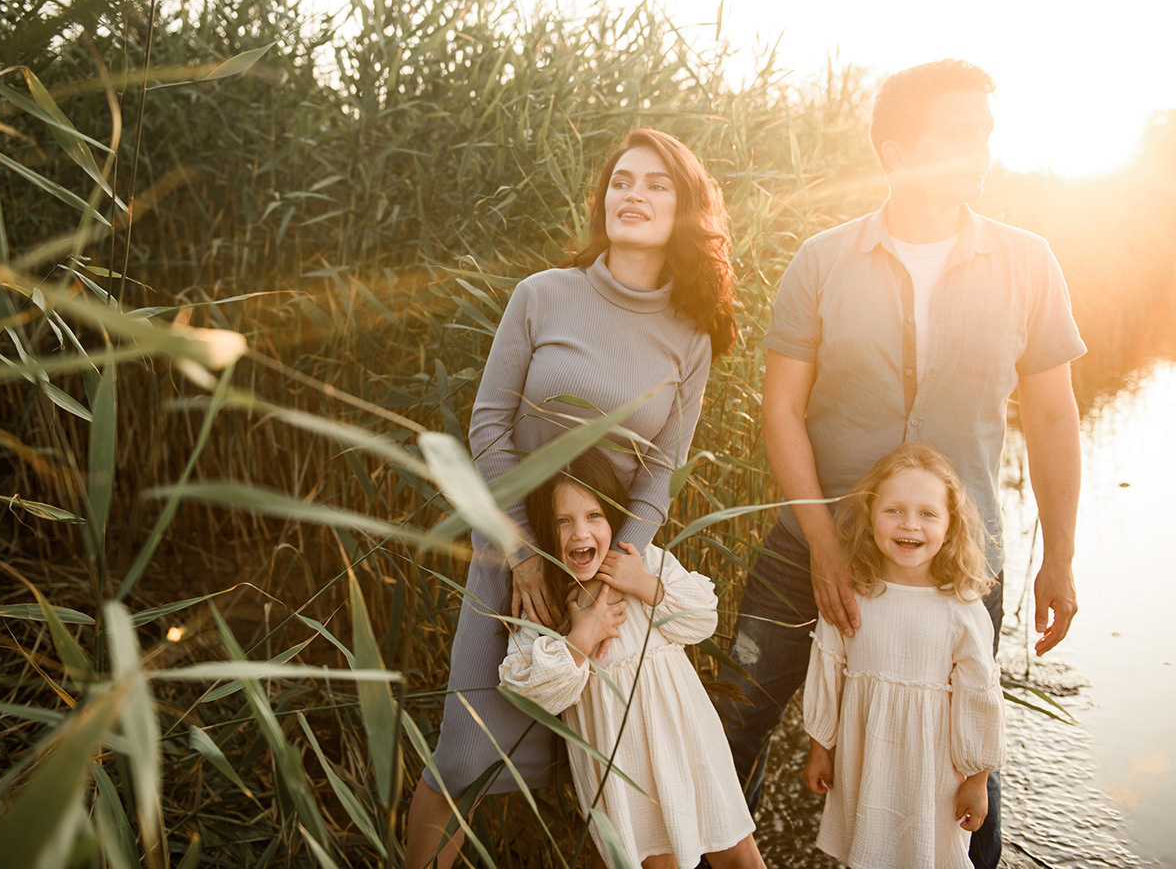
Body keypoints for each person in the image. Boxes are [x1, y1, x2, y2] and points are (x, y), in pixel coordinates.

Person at [715, 59, 1086, 869]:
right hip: (808, 544)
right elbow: (781, 410)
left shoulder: (1030, 262)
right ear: (896, 150)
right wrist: (819, 541)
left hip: (956, 558)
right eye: (960, 134)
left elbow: (1055, 415)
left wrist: (1058, 557)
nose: (980, 151)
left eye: (984, 134)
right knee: (734, 722)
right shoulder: (822, 259)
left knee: (965, 755)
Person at [405, 127, 737, 868]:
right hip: (515, 557)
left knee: (617, 779)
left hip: (606, 572)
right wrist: (523, 553)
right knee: (466, 759)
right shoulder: (542, 296)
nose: (634, 195)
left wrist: (623, 561)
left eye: (656, 184)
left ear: (683, 208)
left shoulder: (691, 333)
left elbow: (662, 469)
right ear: (603, 198)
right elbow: (488, 425)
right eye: (622, 180)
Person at [499, 448, 765, 869]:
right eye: (562, 521)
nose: (579, 533)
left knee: (737, 852)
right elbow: (527, 688)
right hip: (621, 766)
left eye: (593, 516)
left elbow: (703, 620)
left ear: (614, 516)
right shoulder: (546, 599)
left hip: (686, 741)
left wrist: (645, 585)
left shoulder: (645, 562)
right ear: (544, 533)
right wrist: (582, 637)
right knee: (658, 860)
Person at [802, 443, 1006, 868]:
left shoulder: (962, 609)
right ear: (870, 516)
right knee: (869, 847)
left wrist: (978, 778)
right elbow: (828, 670)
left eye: (928, 513)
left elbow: (978, 699)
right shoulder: (853, 596)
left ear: (950, 527)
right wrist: (820, 747)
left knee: (925, 853)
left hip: (931, 772)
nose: (909, 524)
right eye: (894, 510)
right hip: (867, 760)